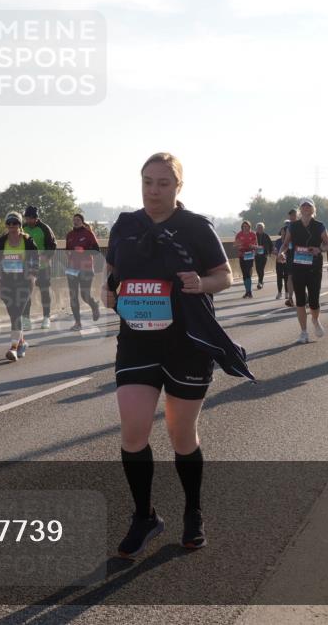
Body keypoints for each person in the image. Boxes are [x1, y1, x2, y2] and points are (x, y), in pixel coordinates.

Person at [103, 152, 252, 558]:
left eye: (163, 183)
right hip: (136, 339)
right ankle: (144, 516)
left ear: (178, 187)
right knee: (133, 432)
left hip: (187, 339)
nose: (154, 190)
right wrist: (108, 294)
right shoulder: (125, 226)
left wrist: (200, 283)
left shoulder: (195, 227)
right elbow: (111, 278)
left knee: (180, 434)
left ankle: (193, 511)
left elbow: (225, 276)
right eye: (148, 182)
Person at [277, 199, 328, 344]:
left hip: (314, 266)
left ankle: (315, 319)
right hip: (298, 266)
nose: (306, 208)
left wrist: (319, 249)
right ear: (300, 209)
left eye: (309, 206)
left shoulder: (319, 226)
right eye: (303, 206)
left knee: (314, 301)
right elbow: (286, 244)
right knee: (300, 300)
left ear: (313, 209)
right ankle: (303, 332)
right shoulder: (293, 226)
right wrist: (281, 253)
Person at [0, 212, 39, 361]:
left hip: (24, 283)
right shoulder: (0, 242)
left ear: (20, 225)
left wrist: (32, 275)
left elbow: (35, 260)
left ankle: (13, 348)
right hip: (6, 282)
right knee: (13, 314)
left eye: (15, 223)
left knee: (17, 313)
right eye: (9, 223)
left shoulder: (28, 241)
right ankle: (22, 342)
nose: (12, 226)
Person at [22, 206, 57, 329]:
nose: (28, 220)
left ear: (36, 218)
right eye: (27, 218)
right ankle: (26, 319)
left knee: (44, 291)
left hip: (43, 266)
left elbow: (53, 245)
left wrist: (47, 256)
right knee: (26, 293)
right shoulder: (23, 228)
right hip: (28, 266)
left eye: (31, 218)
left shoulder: (45, 228)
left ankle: (46, 317)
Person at [65, 213, 101, 331]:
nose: (75, 222)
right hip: (72, 269)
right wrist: (69, 254)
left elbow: (96, 250)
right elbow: (67, 250)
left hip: (86, 268)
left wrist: (84, 251)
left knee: (85, 295)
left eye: (78, 220)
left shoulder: (88, 234)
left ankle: (94, 305)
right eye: (74, 220)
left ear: (82, 222)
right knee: (73, 296)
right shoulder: (69, 235)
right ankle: (77, 323)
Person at [234, 221, 258, 299]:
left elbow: (255, 245)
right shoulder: (239, 234)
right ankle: (247, 291)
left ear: (249, 226)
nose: (245, 227)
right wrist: (239, 246)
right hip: (242, 255)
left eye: (246, 226)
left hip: (250, 255)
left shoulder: (253, 234)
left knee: (248, 273)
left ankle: (249, 292)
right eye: (244, 226)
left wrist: (252, 246)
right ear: (242, 227)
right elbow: (236, 245)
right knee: (244, 274)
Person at [281, 208, 298, 306]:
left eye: (294, 215)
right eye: (291, 215)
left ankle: (305, 295)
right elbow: (285, 243)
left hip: (301, 255)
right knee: (290, 277)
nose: (292, 217)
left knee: (301, 277)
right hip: (291, 255)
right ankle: (290, 298)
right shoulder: (287, 228)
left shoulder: (302, 225)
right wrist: (281, 253)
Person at [274, 219, 292, 301]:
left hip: (287, 260)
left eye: (284, 232)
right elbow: (274, 250)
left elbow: (290, 249)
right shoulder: (277, 241)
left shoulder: (289, 241)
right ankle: (279, 292)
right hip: (278, 260)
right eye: (282, 232)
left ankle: (287, 293)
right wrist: (276, 253)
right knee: (279, 277)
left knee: (286, 277)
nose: (283, 233)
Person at [254, 222, 273, 290]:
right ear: (256, 228)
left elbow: (271, 244)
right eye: (258, 227)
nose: (260, 229)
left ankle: (260, 282)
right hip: (256, 255)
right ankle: (260, 280)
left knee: (261, 268)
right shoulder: (254, 235)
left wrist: (270, 253)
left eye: (261, 227)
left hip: (264, 254)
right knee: (257, 268)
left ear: (263, 228)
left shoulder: (266, 235)